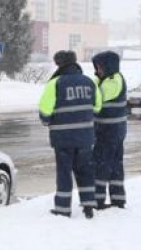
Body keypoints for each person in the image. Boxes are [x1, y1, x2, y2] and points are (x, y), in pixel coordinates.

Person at [39, 50, 102, 219]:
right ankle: (89, 205)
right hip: (85, 138)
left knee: (64, 173)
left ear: (60, 64)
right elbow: (97, 107)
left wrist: (47, 120)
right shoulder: (89, 82)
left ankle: (63, 208)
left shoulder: (55, 83)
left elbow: (45, 110)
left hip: (62, 139)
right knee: (85, 171)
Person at [92, 51, 127, 209]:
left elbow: (98, 96)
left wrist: (93, 82)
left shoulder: (114, 80)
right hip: (112, 130)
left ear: (109, 66)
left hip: (109, 131)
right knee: (114, 165)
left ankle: (97, 200)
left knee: (101, 164)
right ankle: (118, 199)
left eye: (100, 67)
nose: (98, 70)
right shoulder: (110, 79)